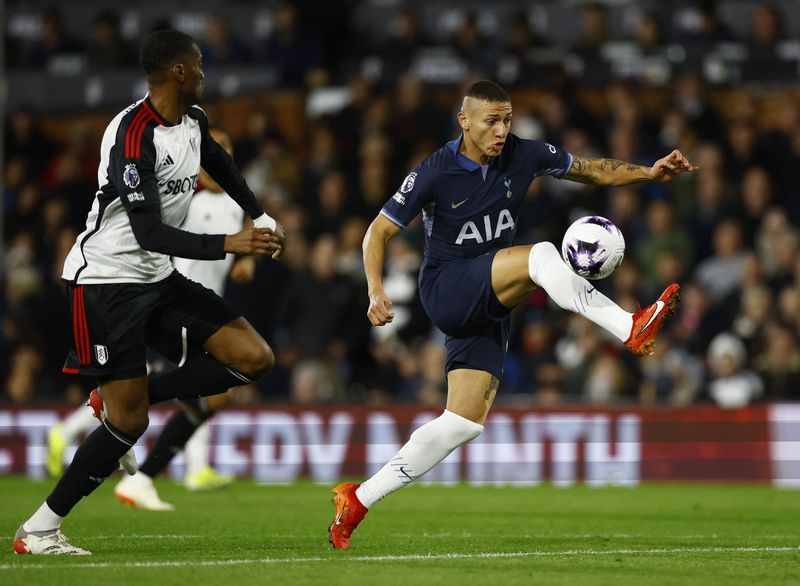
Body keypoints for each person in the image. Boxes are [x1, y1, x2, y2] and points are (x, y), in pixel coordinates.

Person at [328, 80, 694, 549]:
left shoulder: (524, 153)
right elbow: (376, 232)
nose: (502, 130)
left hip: (489, 299)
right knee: (541, 253)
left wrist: (649, 173)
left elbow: (591, 170)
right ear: (464, 122)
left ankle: (357, 500)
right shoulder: (434, 172)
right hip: (448, 286)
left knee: (462, 423)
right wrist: (375, 290)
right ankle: (630, 325)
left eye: (507, 120)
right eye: (491, 121)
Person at [14, 30, 285, 556]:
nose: (206, 71)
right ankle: (41, 528)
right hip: (106, 284)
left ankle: (113, 400)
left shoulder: (195, 122)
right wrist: (231, 242)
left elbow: (221, 165)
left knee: (254, 358)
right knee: (131, 423)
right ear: (178, 72)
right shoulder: (131, 135)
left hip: (158, 280)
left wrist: (259, 212)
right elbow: (147, 233)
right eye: (200, 63)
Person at [46, 128, 257, 508]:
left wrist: (243, 265)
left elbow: (232, 252)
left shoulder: (233, 205)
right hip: (167, 303)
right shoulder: (185, 200)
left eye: (225, 152)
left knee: (200, 396)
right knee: (152, 400)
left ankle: (168, 472)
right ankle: (81, 438)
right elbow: (164, 244)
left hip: (203, 306)